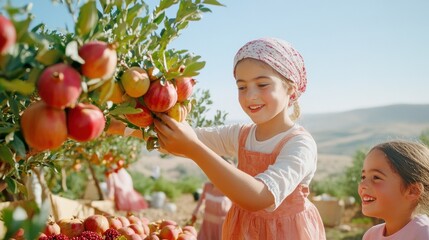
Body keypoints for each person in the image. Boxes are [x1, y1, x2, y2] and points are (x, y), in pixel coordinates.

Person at [153, 37, 326, 239]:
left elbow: (259, 197)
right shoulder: (241, 134)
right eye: (242, 87)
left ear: (291, 89)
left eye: (262, 84)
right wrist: (121, 125)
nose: (250, 95)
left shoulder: (299, 144)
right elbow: (180, 136)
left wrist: (194, 150)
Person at [359, 140, 429, 239]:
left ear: (413, 191)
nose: (362, 185)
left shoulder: (423, 234)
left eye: (376, 177)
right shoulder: (371, 235)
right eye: (363, 177)